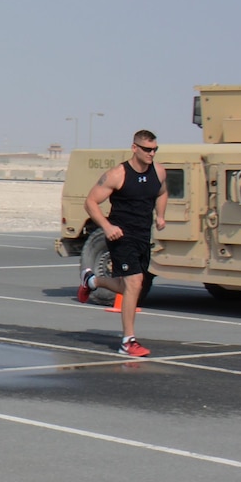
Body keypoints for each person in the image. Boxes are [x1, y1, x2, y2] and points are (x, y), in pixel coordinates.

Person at [77, 129, 166, 357]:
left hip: (142, 236)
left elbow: (162, 192)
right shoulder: (118, 174)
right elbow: (90, 202)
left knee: (129, 286)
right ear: (134, 148)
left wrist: (161, 215)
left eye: (155, 149)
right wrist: (107, 227)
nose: (151, 153)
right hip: (120, 235)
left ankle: (92, 281)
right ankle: (128, 341)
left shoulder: (158, 171)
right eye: (147, 149)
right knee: (134, 283)